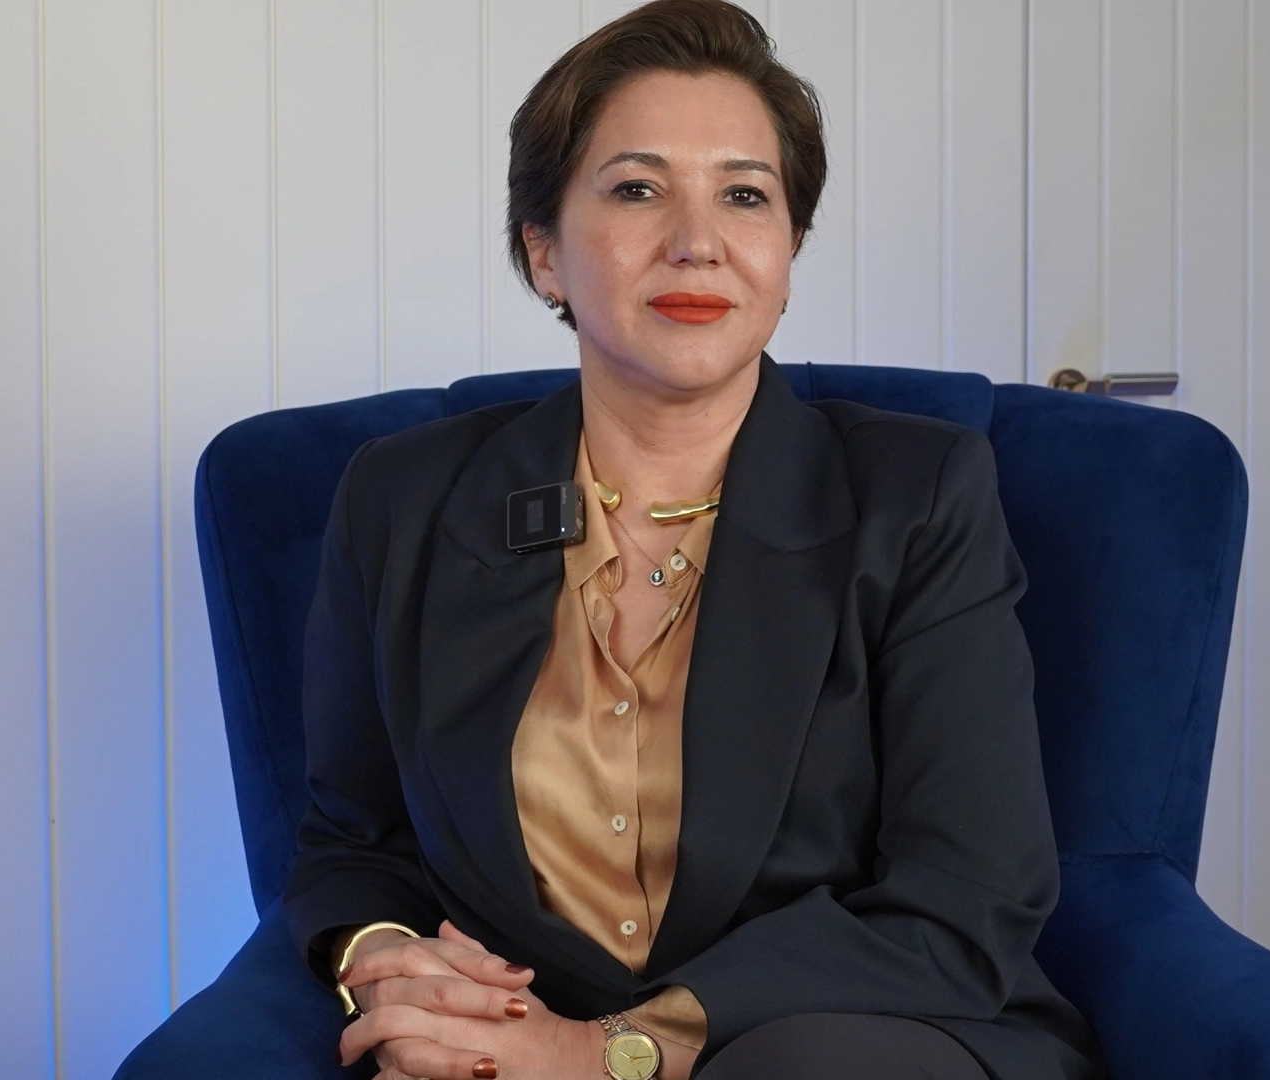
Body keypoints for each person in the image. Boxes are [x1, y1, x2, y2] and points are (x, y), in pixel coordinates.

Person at [286, 2, 1103, 1078]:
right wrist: (392, 966)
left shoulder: (916, 494)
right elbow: (352, 840)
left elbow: (968, 894)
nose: (696, 240)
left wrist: (604, 1054)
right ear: (543, 252)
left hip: (858, 1034)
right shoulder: (404, 499)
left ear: (787, 251)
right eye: (636, 189)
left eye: (744, 195)